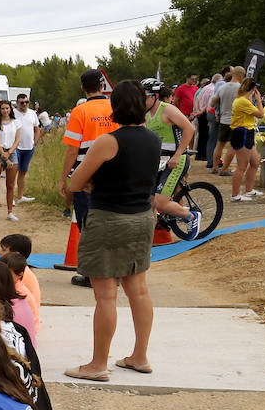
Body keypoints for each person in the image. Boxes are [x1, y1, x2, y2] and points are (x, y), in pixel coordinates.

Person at [65, 80, 162, 381]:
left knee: (106, 296)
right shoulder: (154, 139)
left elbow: (74, 183)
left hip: (109, 219)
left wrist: (94, 184)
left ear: (115, 106)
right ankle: (140, 356)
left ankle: (97, 365)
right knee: (139, 291)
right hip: (141, 218)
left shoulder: (108, 141)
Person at [60, 69, 114, 288]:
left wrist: (63, 179)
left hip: (85, 174)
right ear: (103, 86)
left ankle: (92, 275)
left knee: (87, 225)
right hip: (113, 172)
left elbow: (72, 151)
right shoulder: (115, 108)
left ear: (83, 88)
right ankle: (113, 272)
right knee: (111, 222)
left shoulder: (79, 111)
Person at [142, 79, 200, 228]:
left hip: (176, 160)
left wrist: (177, 154)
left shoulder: (167, 109)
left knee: (161, 202)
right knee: (148, 202)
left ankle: (191, 216)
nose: (141, 100)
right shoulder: (146, 114)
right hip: (158, 161)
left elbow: (190, 129)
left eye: (144, 96)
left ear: (154, 95)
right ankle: (150, 239)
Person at [229, 78, 265, 202]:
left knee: (255, 162)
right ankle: (235, 194)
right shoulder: (242, 101)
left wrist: (252, 98)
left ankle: (249, 190)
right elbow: (261, 114)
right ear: (252, 89)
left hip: (247, 132)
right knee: (242, 166)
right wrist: (259, 99)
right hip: (242, 133)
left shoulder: (244, 100)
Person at [0, 233, 41, 321]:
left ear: (15, 254)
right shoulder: (20, 269)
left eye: (3, 250)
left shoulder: (17, 274)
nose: (0, 252)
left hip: (25, 322)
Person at [211, 66, 244, 175]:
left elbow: (212, 103)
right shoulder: (241, 88)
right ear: (240, 75)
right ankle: (224, 169)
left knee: (219, 144)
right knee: (232, 146)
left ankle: (215, 167)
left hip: (223, 120)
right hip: (236, 120)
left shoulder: (222, 87)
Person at [0, 100, 20, 221]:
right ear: (0, 110)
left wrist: (9, 153)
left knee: (10, 184)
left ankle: (10, 211)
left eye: (7, 108)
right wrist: (3, 154)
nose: (5, 111)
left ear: (10, 109)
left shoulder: (16, 123)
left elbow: (17, 140)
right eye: (3, 108)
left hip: (11, 151)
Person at [12, 93, 40, 203]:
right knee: (13, 173)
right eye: (22, 102)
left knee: (23, 172)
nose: (24, 104)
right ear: (17, 103)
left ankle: (20, 196)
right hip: (16, 147)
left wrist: (35, 142)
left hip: (29, 147)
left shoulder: (32, 113)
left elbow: (37, 129)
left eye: (26, 102)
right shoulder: (13, 113)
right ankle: (11, 197)